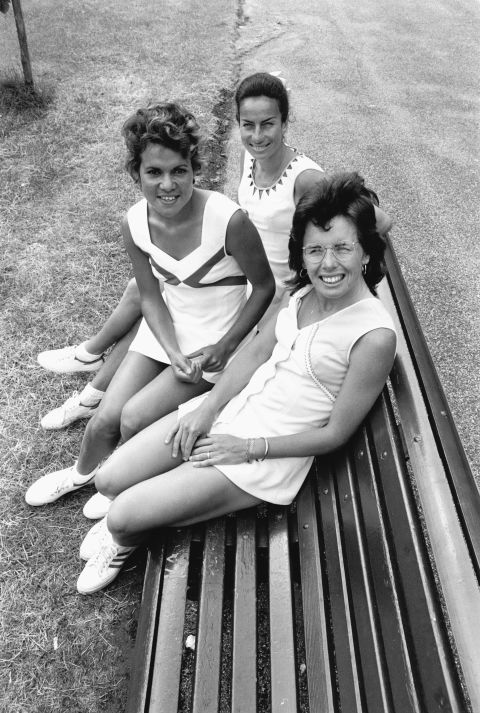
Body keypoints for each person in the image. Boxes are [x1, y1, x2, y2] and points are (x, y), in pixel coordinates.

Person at [72, 171, 397, 595]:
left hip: (262, 456)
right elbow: (255, 353)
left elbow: (334, 434)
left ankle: (125, 539)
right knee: (108, 480)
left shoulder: (373, 336)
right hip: (231, 411)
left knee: (121, 516)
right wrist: (206, 410)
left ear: (366, 253)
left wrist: (245, 448)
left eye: (342, 248)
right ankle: (145, 506)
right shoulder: (300, 294)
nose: (328, 264)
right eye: (315, 250)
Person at [36, 72, 392, 433]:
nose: (257, 136)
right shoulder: (250, 159)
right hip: (240, 261)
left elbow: (377, 221)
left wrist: (310, 273)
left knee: (159, 292)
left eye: (268, 124)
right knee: (153, 289)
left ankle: (92, 380)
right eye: (247, 125)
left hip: (268, 288)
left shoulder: (305, 178)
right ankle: (93, 379)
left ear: (286, 122)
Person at [25, 102, 275, 513]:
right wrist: (171, 350)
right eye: (153, 172)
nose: (168, 185)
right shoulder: (134, 223)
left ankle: (119, 486)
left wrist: (225, 348)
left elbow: (264, 287)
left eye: (179, 170)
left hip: (211, 347)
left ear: (194, 168)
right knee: (105, 418)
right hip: (166, 334)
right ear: (135, 174)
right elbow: (151, 296)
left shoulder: (229, 221)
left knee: (134, 418)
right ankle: (79, 475)